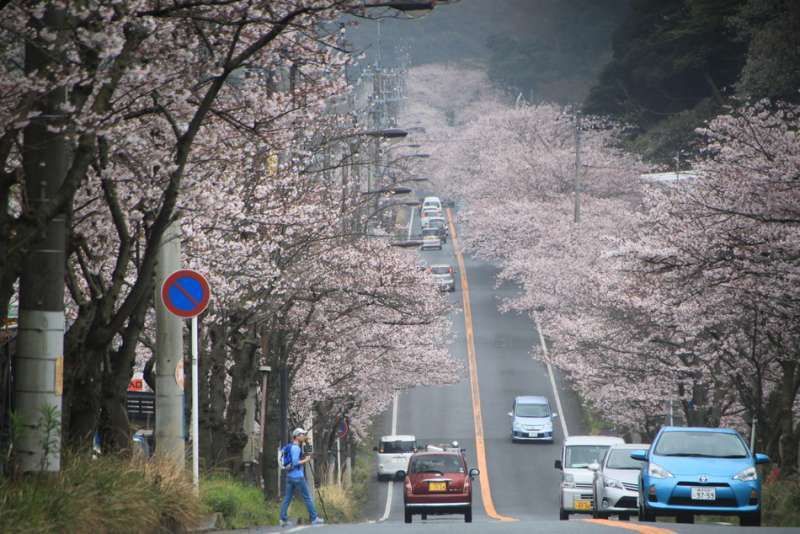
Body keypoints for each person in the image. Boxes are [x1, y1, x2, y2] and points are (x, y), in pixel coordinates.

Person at [280, 428, 324, 527]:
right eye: (302, 435)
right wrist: (306, 459)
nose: (304, 436)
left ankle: (283, 519)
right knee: (307, 497)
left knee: (287, 498)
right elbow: (295, 462)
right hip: (298, 476)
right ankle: (314, 518)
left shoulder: (290, 447)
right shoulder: (296, 448)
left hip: (290, 476)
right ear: (297, 436)